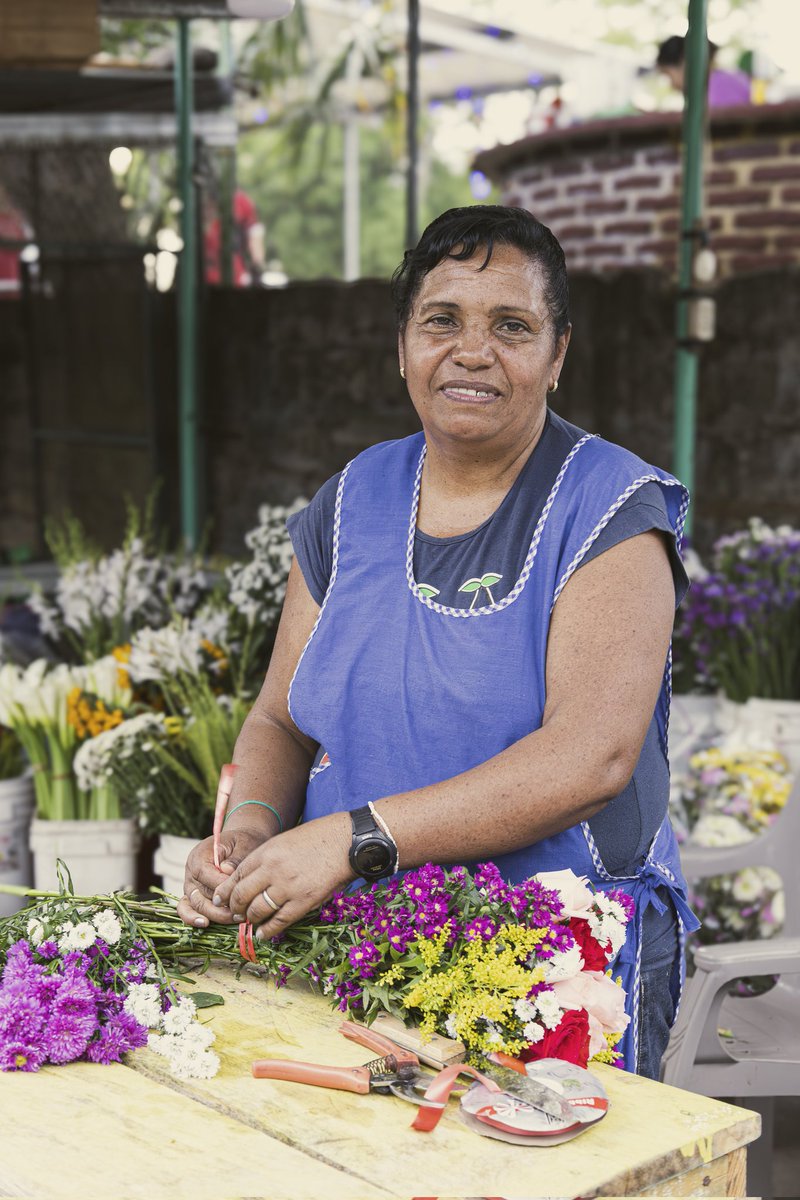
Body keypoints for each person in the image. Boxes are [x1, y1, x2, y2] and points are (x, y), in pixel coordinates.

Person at [179, 205, 699, 1079]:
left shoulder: (609, 510)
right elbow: (279, 719)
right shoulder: (351, 500)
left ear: (557, 353)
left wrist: (352, 839)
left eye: (512, 326)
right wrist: (252, 835)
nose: (472, 350)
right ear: (403, 345)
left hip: (553, 959)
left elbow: (591, 758)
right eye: (441, 320)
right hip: (354, 940)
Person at [656, 34, 752, 107]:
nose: (671, 85)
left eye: (668, 75)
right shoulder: (716, 83)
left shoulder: (721, 85)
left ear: (685, 63)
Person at [204, 188, 266, 287]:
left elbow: (254, 237)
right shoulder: (200, 195)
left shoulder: (240, 201)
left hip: (233, 277)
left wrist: (257, 267)